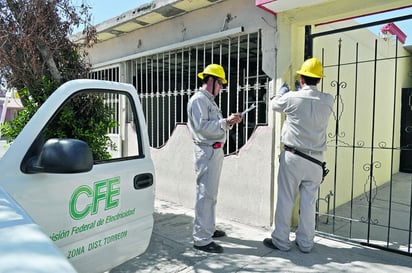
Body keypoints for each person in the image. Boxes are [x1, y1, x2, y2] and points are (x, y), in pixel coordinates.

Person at [263, 58, 334, 253]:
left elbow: (274, 104)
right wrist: (298, 92)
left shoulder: (292, 98)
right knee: (309, 204)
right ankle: (305, 243)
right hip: (316, 160)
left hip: (294, 157)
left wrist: (283, 92)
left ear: (301, 78)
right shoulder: (328, 100)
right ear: (319, 80)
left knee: (286, 199)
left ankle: (281, 241)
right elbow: (310, 101)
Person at [187, 64, 242, 253]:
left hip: (214, 151)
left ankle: (207, 228)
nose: (221, 88)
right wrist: (225, 122)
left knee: (211, 194)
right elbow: (202, 127)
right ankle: (201, 239)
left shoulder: (209, 100)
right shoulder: (198, 101)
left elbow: (215, 125)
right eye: (220, 83)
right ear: (210, 81)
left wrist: (228, 122)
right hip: (207, 152)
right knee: (205, 194)